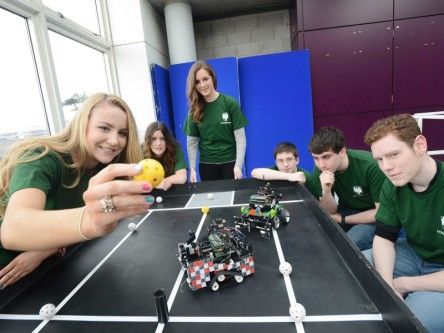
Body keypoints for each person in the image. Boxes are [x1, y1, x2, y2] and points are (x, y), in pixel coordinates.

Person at [0, 93, 153, 288]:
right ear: (83, 125)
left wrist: (43, 251)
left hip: (47, 268)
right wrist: (90, 220)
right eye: (104, 128)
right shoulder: (41, 158)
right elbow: (14, 229)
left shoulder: (104, 170)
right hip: (7, 270)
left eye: (122, 133)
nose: (115, 141)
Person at [363, 114, 444, 332]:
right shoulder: (393, 185)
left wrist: (405, 284)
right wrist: (387, 286)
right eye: (379, 159)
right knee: (361, 266)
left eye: (394, 155)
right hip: (414, 254)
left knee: (415, 321)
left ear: (420, 145)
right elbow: (383, 237)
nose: (386, 167)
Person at [307, 126, 386, 251]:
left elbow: (381, 213)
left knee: (344, 247)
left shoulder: (371, 166)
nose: (321, 164)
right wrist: (326, 192)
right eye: (316, 158)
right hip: (345, 210)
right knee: (315, 236)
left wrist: (343, 219)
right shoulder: (320, 169)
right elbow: (330, 212)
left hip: (372, 218)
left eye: (326, 157)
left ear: (342, 152)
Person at [184, 60, 247, 182]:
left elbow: (241, 138)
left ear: (213, 78)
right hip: (207, 166)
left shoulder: (229, 103)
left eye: (205, 79)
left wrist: (238, 166)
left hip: (231, 164)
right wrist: (192, 168)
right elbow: (191, 143)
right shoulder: (194, 110)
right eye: (197, 82)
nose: (202, 85)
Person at [142, 121, 187, 190]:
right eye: (154, 139)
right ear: (148, 140)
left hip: (172, 189)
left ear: (167, 140)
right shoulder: (141, 150)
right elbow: (135, 180)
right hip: (149, 191)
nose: (158, 143)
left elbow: (182, 177)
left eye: (162, 139)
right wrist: (156, 184)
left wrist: (162, 181)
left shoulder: (175, 147)